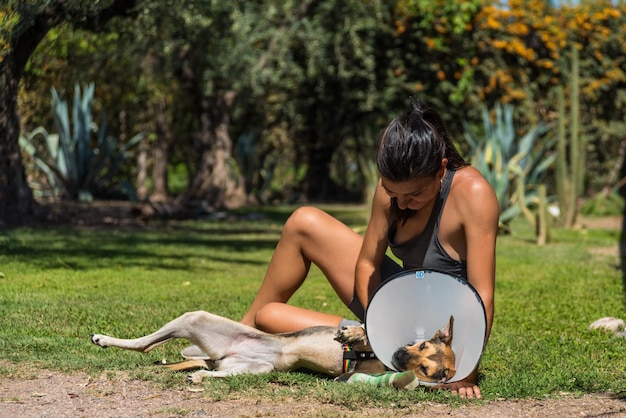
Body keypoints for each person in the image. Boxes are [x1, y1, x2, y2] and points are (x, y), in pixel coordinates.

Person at [240, 97, 499, 398]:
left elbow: (482, 293)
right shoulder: (391, 191)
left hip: (434, 333)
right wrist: (376, 326)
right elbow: (367, 264)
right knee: (303, 222)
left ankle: (371, 353)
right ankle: (235, 335)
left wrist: (465, 370)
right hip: (397, 304)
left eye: (414, 194)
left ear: (441, 170)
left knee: (270, 317)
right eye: (393, 192)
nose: (402, 203)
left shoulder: (474, 194)